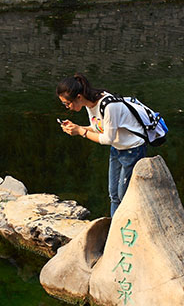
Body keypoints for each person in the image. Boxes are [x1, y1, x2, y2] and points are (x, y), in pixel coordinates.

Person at [56, 73, 148, 216]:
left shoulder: (109, 105)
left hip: (132, 149)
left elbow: (107, 139)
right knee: (113, 195)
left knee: (124, 196)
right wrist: (77, 127)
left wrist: (81, 131)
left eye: (67, 103)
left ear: (79, 97)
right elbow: (99, 127)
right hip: (117, 148)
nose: (67, 107)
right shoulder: (88, 104)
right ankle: (114, 229)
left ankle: (130, 227)